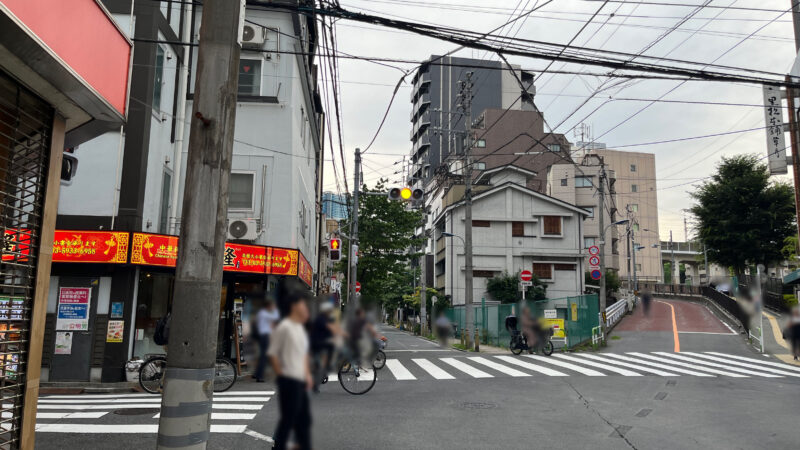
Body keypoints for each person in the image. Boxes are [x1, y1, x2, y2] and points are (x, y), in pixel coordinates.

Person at [269, 291, 313, 450]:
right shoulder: (284, 327)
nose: (305, 308)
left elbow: (304, 354)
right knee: (289, 418)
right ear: (294, 307)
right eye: (302, 304)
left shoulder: (299, 328)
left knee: (303, 418)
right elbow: (273, 353)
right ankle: (279, 446)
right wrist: (281, 375)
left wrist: (307, 375)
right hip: (289, 379)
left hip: (300, 379)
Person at [310, 302, 342, 391]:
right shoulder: (321, 319)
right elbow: (331, 328)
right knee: (322, 362)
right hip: (316, 342)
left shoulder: (328, 318)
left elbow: (335, 327)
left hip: (323, 342)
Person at [254, 299, 280, 382]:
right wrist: (275, 309)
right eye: (271, 306)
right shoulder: (264, 313)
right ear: (268, 306)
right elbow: (276, 317)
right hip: (265, 336)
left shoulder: (262, 313)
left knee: (262, 356)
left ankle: (257, 374)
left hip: (263, 336)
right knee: (264, 356)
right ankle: (259, 376)